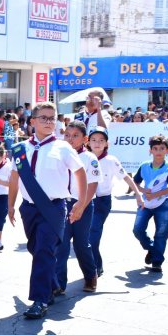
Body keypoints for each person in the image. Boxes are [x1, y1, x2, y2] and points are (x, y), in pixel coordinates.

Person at [7, 102, 88, 319]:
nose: (48, 121)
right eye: (43, 117)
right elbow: (15, 178)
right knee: (37, 249)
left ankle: (39, 300)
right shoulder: (20, 148)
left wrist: (80, 203)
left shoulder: (63, 147)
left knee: (43, 251)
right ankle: (51, 285)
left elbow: (80, 173)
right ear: (32, 121)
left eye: (52, 118)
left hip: (53, 208)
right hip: (29, 209)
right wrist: (11, 206)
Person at [87, 127, 143, 277]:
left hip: (102, 202)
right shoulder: (84, 157)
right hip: (85, 200)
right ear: (88, 142)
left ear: (107, 143)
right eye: (93, 140)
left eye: (101, 140)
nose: (97, 143)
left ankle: (95, 267)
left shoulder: (111, 160)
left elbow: (125, 177)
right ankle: (93, 264)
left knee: (94, 233)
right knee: (84, 236)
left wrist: (137, 194)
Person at [56, 121, 102, 293]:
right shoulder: (59, 155)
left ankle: (91, 275)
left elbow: (93, 184)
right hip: (62, 204)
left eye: (75, 136)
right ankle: (59, 283)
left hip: (83, 203)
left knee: (81, 244)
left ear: (85, 139)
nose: (70, 139)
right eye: (67, 135)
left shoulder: (90, 158)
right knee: (61, 244)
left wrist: (82, 205)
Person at [132, 135, 168, 273]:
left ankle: (157, 262)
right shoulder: (144, 166)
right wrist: (141, 191)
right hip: (145, 203)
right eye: (155, 148)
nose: (158, 151)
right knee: (137, 229)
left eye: (162, 148)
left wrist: (155, 195)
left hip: (163, 203)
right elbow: (135, 183)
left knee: (161, 232)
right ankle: (152, 249)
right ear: (150, 151)